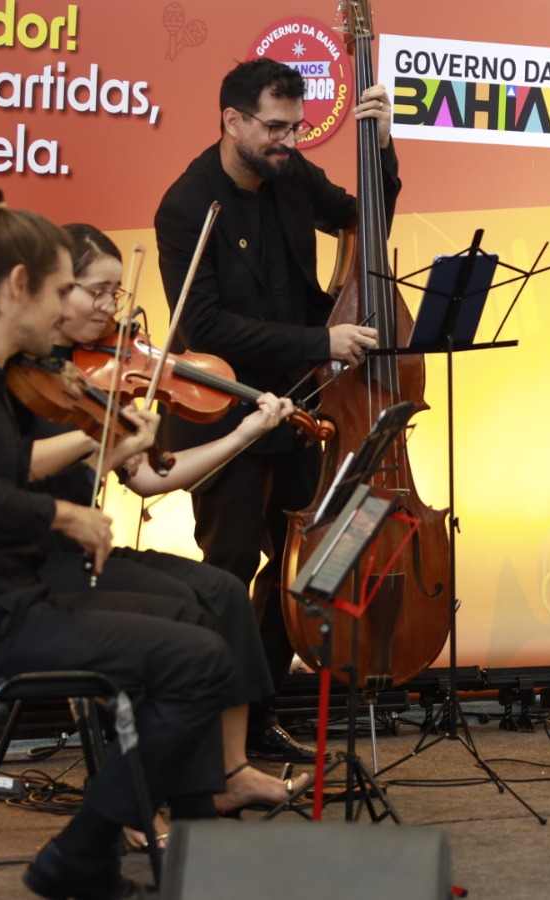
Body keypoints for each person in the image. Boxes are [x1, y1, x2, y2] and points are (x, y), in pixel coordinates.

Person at [0, 187, 233, 898]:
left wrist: (103, 456)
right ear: (18, 286)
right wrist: (66, 518)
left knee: (193, 622)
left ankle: (166, 839)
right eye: (63, 290)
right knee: (199, 661)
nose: (71, 308)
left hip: (11, 600)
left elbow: (0, 472)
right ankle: (81, 854)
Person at [154, 58, 394, 762]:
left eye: (297, 127)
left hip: (299, 411)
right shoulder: (186, 205)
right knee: (229, 569)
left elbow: (366, 219)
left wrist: (382, 146)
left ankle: (255, 717)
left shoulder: (292, 174)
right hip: (225, 414)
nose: (290, 141)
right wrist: (320, 341)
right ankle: (211, 734)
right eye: (276, 127)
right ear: (232, 121)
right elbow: (204, 326)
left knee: (306, 567)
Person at [30, 223, 300, 841]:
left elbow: (151, 479)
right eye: (97, 292)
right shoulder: (33, 376)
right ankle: (134, 794)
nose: (110, 308)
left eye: (116, 294)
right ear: (54, 287)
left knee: (224, 589)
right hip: (46, 563)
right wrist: (103, 432)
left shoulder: (99, 378)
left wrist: (243, 435)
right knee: (178, 615)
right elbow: (19, 470)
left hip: (88, 553)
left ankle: (230, 771)